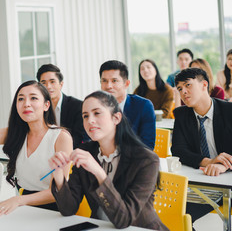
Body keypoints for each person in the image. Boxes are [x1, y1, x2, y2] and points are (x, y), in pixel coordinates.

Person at [0, 56, 73, 215]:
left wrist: (18, 200)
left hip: (55, 211)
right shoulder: (15, 134)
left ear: (46, 105)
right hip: (24, 209)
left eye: (33, 98)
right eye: (21, 99)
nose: (26, 104)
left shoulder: (61, 137)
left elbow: (58, 191)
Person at [48, 91, 168, 230]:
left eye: (97, 113)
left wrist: (99, 172)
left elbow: (124, 220)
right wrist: (58, 176)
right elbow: (68, 209)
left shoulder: (146, 160)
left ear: (116, 118)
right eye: (85, 116)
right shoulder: (86, 151)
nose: (90, 120)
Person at [171, 68, 232, 227]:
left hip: (228, 181)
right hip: (203, 184)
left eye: (188, 85)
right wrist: (209, 161)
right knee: (175, 215)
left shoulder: (229, 111)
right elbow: (178, 150)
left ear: (204, 85)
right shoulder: (182, 114)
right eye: (179, 89)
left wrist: (222, 165)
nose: (183, 92)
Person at [99, 60, 156, 150]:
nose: (109, 86)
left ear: (126, 84)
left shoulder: (143, 106)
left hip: (135, 160)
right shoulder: (96, 107)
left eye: (114, 81)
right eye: (104, 81)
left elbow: (147, 146)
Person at [37, 64, 89, 148]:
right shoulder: (38, 108)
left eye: (52, 82)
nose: (48, 86)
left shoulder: (78, 106)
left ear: (61, 84)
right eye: (43, 83)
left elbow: (80, 139)